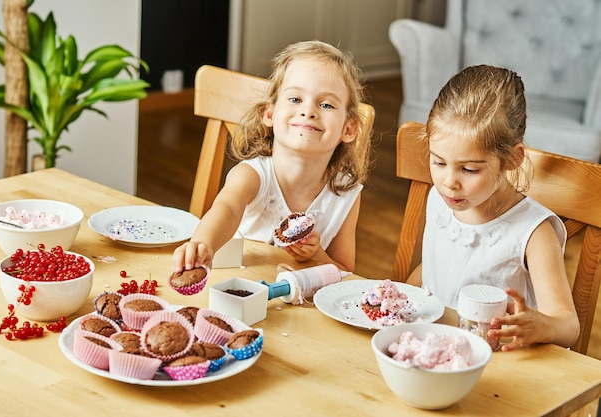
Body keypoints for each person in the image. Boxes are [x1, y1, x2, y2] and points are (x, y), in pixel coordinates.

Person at [406, 65, 580, 351]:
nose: (449, 182)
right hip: (434, 348)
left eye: (470, 169)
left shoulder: (533, 233)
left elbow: (568, 327)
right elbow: (436, 267)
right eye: (438, 162)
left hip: (502, 364)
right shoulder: (438, 199)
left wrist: (539, 325)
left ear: (512, 159)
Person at [172, 40, 371, 274]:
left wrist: (316, 255)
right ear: (270, 113)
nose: (308, 111)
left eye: (326, 104)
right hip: (236, 293)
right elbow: (226, 210)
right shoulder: (252, 176)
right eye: (295, 99)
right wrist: (202, 244)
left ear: (348, 129)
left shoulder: (345, 192)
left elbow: (345, 271)